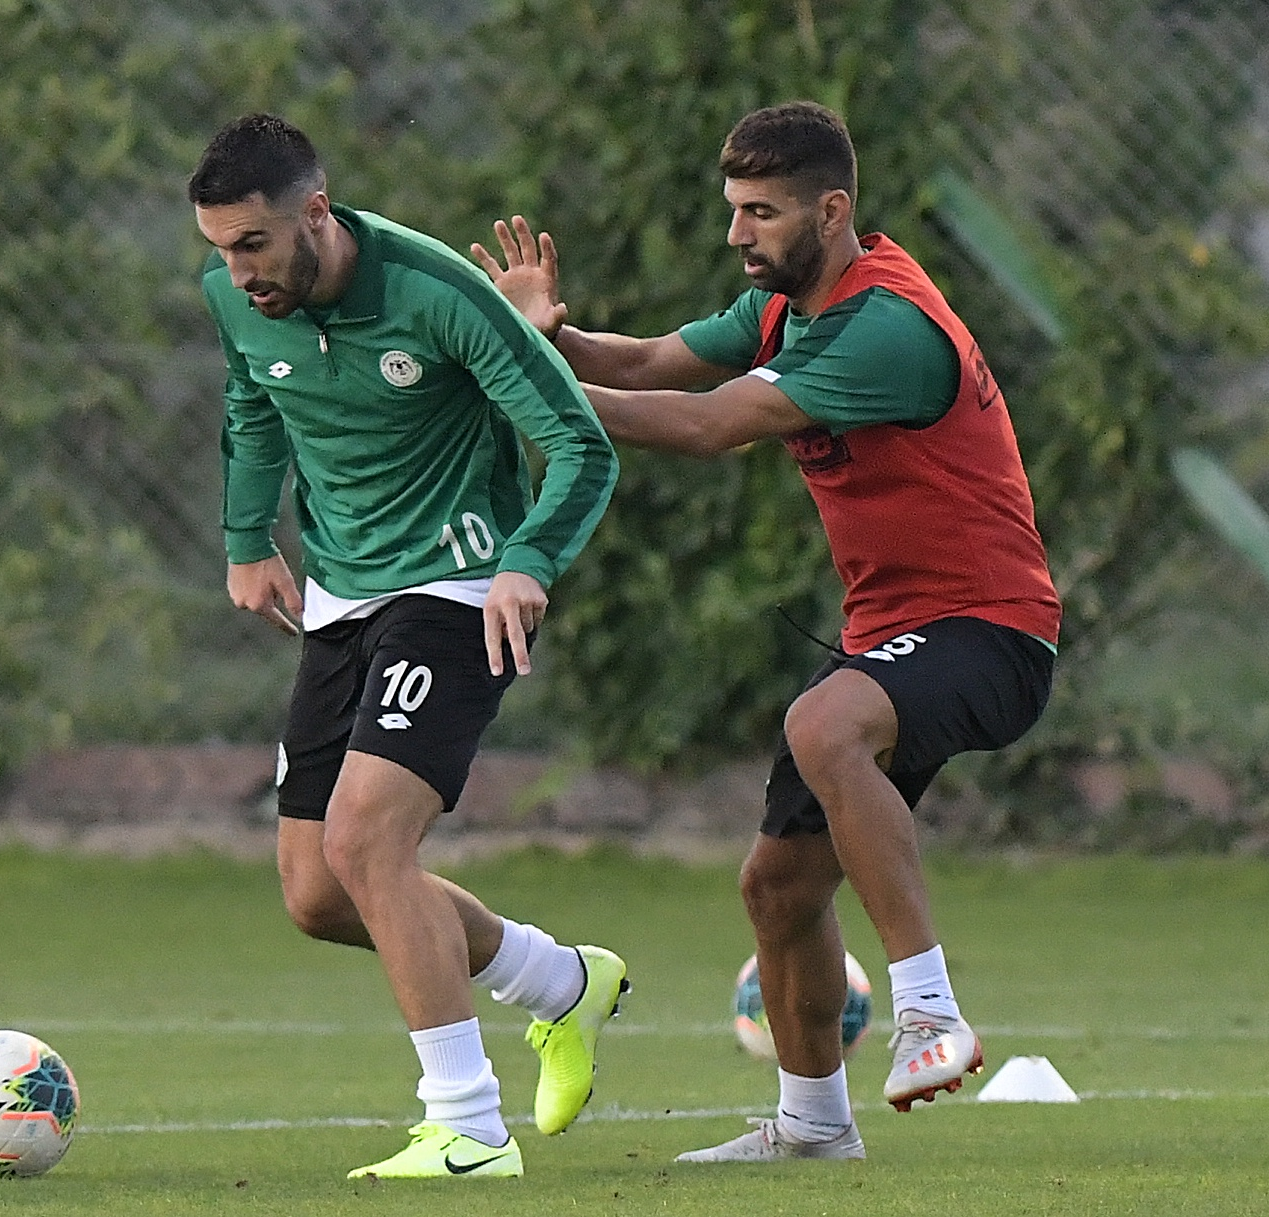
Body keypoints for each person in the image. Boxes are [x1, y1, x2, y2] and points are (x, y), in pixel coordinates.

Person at [473, 100, 1060, 1162]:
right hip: (892, 635)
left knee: (822, 724)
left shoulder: (885, 325)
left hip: (989, 630)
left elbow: (707, 425)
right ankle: (812, 1126)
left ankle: (928, 1012)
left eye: (761, 212)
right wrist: (540, 337)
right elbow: (649, 362)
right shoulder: (789, 305)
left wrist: (519, 384)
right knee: (776, 886)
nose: (736, 232)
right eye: (733, 208)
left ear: (830, 211)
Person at [187, 114, 626, 1181]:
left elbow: (578, 444)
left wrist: (528, 560)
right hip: (341, 596)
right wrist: (247, 540)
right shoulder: (235, 299)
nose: (238, 273)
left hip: (459, 585)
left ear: (315, 213)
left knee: (368, 839)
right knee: (317, 892)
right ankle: (558, 981)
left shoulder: (437, 294)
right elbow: (253, 402)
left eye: (253, 244)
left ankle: (468, 1125)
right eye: (219, 250)